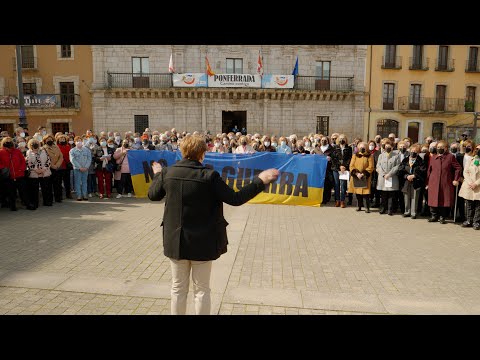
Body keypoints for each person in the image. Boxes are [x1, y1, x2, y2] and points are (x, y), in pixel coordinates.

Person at [148, 134, 279, 315]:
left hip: (175, 239)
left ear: (182, 151)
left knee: (178, 288)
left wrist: (157, 175)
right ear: (203, 154)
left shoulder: (168, 172)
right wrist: (260, 180)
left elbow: (153, 195)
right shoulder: (209, 176)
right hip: (202, 240)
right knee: (201, 290)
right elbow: (235, 198)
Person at [426, 140, 462, 224]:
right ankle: (434, 216)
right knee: (433, 199)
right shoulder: (433, 157)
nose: (439, 149)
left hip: (445, 182)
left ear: (446, 148)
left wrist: (456, 179)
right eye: (438, 147)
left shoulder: (450, 157)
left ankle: (442, 217)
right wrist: (427, 182)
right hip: (434, 182)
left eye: (442, 147)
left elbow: (458, 168)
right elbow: (429, 170)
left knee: (444, 199)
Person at [397, 144, 426, 219]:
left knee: (414, 197)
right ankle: (407, 211)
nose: (413, 152)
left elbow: (423, 171)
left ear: (418, 152)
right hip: (406, 182)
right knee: (406, 197)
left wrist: (414, 175)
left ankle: (414, 213)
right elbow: (400, 170)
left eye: (415, 151)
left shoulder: (421, 161)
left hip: (416, 181)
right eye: (412, 151)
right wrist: (406, 176)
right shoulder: (405, 160)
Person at [0, 137, 28, 211]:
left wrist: (21, 169)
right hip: (9, 176)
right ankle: (12, 206)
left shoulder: (17, 151)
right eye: (6, 142)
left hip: (19, 174)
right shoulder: (1, 152)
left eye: (10, 141)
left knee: (23, 190)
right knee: (11, 192)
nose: (8, 143)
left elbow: (23, 161)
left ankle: (26, 203)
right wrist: (4, 168)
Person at [26, 138, 53, 209]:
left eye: (36, 143)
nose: (35, 144)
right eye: (33, 143)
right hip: (34, 173)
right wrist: (36, 169)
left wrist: (44, 169)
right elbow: (29, 162)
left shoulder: (44, 151)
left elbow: (48, 160)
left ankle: (47, 201)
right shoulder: (28, 152)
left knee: (46, 188)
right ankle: (35, 203)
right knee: (34, 190)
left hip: (45, 172)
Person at [376, 139, 401, 215]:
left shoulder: (396, 156)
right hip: (383, 178)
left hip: (392, 177)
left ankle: (390, 209)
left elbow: (397, 166)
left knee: (391, 195)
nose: (387, 147)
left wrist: (389, 174)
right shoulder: (381, 155)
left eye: (389, 146)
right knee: (383, 194)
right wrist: (383, 174)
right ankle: (383, 208)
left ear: (392, 147)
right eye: (386, 146)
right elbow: (378, 166)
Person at [459, 142, 480, 229]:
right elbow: (465, 171)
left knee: (478, 205)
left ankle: (476, 222)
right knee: (469, 204)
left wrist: (476, 183)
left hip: (478, 186)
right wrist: (470, 182)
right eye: (478, 149)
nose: (479, 150)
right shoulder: (471, 159)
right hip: (469, 185)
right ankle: (468, 220)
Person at [348, 142, 374, 213]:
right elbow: (351, 165)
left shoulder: (369, 156)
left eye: (364, 147)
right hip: (356, 176)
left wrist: (363, 174)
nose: (362, 148)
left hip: (365, 176)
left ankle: (366, 207)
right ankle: (359, 206)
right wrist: (356, 173)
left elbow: (371, 167)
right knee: (358, 192)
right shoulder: (355, 155)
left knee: (366, 193)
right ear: (358, 148)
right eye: (361, 147)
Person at [331, 134, 352, 208]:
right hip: (336, 169)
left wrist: (344, 166)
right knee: (336, 185)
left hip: (344, 169)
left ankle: (342, 201)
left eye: (343, 138)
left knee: (343, 185)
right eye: (340, 138)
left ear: (346, 140)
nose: (342, 140)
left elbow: (349, 158)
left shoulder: (349, 148)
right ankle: (337, 200)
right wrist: (339, 166)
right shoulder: (335, 148)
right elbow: (333, 159)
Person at [69, 136, 92, 201]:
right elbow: (72, 160)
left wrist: (86, 167)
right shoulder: (72, 151)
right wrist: (79, 167)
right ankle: (79, 195)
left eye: (80, 140)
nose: (79, 142)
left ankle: (85, 194)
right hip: (77, 169)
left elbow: (89, 158)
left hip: (85, 169)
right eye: (77, 141)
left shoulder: (87, 150)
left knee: (84, 182)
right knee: (77, 182)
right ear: (75, 142)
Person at [43, 134, 64, 203]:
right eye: (47, 139)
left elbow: (61, 157)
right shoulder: (43, 148)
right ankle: (50, 199)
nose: (49, 140)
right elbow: (45, 159)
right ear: (45, 140)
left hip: (57, 168)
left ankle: (58, 198)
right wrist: (52, 166)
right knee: (49, 185)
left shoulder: (56, 147)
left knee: (58, 183)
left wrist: (57, 165)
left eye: (50, 139)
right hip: (49, 168)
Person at [57, 134, 73, 199]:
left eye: (63, 139)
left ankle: (68, 194)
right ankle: (60, 195)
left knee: (67, 181)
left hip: (67, 166)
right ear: (58, 140)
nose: (62, 140)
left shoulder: (68, 146)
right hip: (60, 166)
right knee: (59, 182)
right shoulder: (57, 147)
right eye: (61, 139)